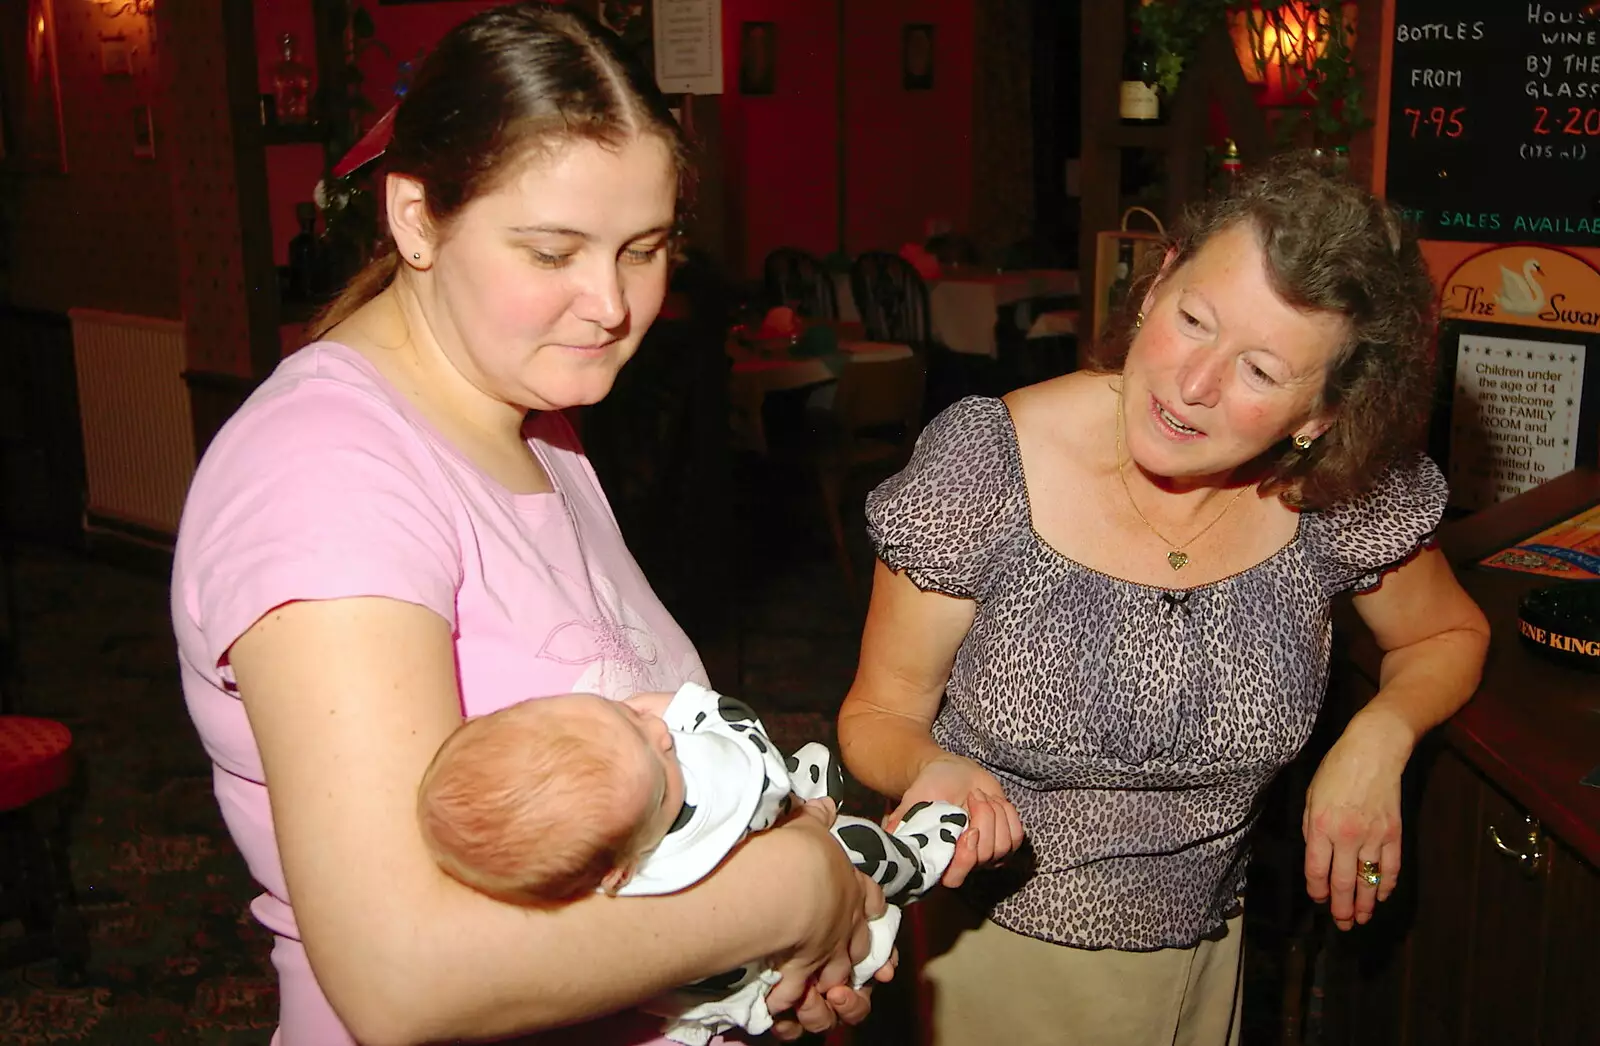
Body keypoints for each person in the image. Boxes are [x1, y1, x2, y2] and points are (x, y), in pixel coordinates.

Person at [171, 6, 888, 1045]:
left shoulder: (530, 413)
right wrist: (783, 894)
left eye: (643, 249)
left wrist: (748, 945)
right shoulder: (325, 474)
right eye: (551, 251)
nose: (608, 303)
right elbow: (401, 976)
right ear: (415, 217)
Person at [836, 152, 1492, 1044]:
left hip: (1208, 961)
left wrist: (1377, 737)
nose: (1193, 385)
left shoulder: (1336, 490)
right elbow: (878, 711)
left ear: (1322, 417)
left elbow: (1446, 633)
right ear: (1157, 286)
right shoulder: (985, 468)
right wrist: (929, 766)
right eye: (1192, 319)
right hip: (986, 963)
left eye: (1260, 371)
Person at [417, 682, 967, 1046]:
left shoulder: (592, 863)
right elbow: (751, 754)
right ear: (618, 873)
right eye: (657, 756)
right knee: (858, 847)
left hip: (713, 995)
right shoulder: (704, 805)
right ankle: (920, 854)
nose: (660, 733)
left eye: (625, 716)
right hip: (807, 898)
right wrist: (686, 707)